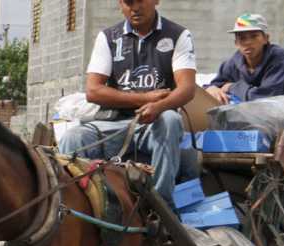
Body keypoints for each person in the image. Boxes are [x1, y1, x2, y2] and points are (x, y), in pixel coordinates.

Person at [58, 0, 197, 203]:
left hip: (154, 124)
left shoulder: (178, 35)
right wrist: (145, 98)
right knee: (73, 137)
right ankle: (73, 206)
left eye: (141, 0)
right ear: (120, 3)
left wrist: (158, 106)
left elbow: (187, 89)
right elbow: (93, 91)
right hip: (113, 124)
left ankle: (160, 204)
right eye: (128, 2)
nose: (135, 7)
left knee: (170, 120)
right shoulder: (108, 37)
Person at [205, 13, 284, 105]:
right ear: (236, 43)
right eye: (242, 38)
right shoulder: (233, 63)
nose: (248, 42)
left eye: (254, 36)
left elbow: (266, 99)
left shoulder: (278, 57)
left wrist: (232, 87)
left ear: (266, 39)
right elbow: (214, 86)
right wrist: (211, 89)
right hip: (257, 121)